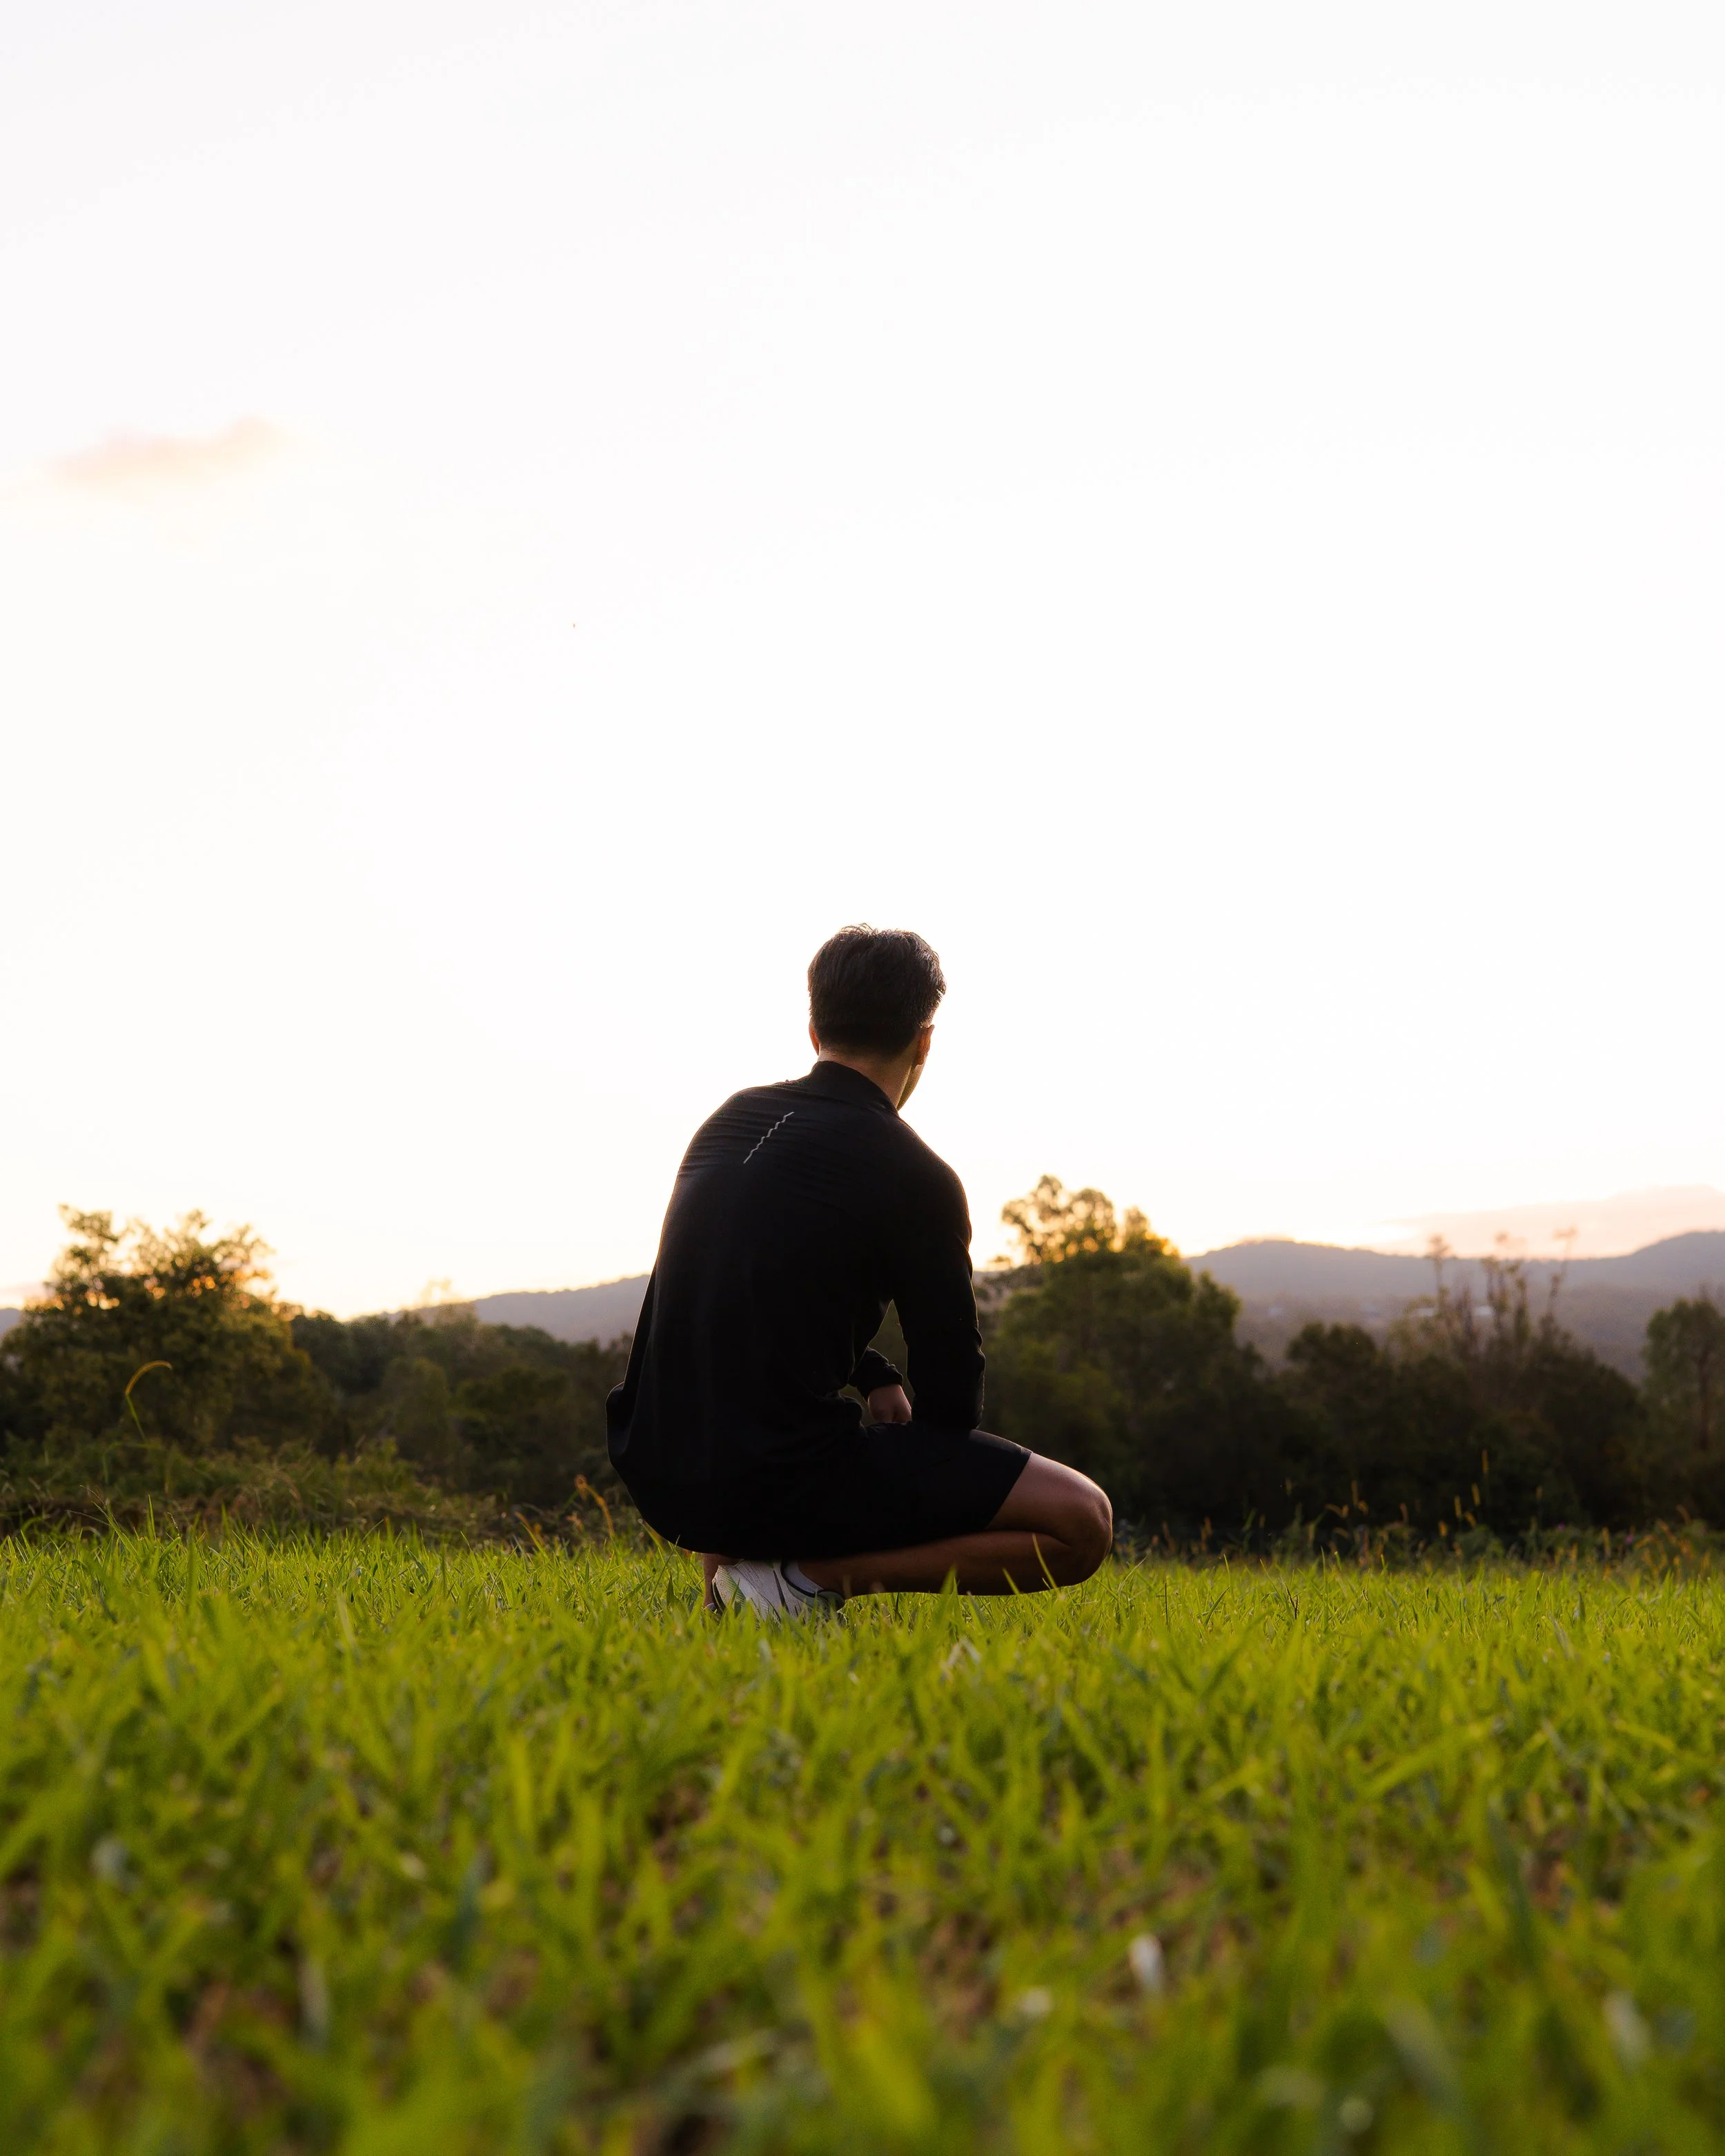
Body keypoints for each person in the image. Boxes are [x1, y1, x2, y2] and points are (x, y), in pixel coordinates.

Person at [605, 924, 1113, 1617]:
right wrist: (906, 1466)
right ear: (923, 1041)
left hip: (662, 1469)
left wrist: (869, 1369)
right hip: (767, 1479)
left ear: (815, 1029)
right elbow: (952, 1403)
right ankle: (808, 1578)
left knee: (753, 1423)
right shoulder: (916, 1173)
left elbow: (737, 1291)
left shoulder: (729, 1119)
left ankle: (741, 1590)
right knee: (1082, 1518)